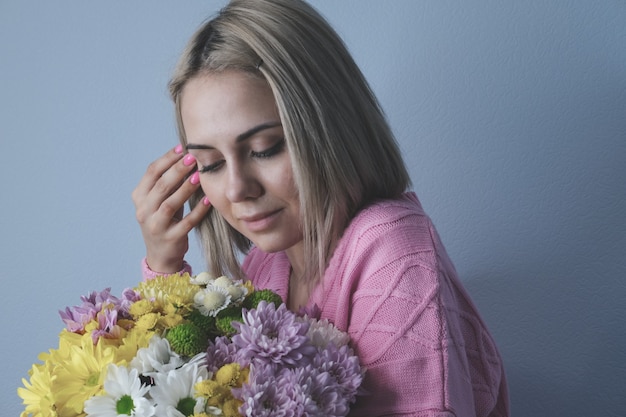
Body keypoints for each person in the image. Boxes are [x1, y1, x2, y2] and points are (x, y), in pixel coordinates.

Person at [132, 0, 509, 415]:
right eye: (211, 164)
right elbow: (162, 391)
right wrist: (164, 273)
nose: (237, 189)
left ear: (329, 128)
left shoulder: (390, 251)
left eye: (265, 148)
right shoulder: (262, 269)